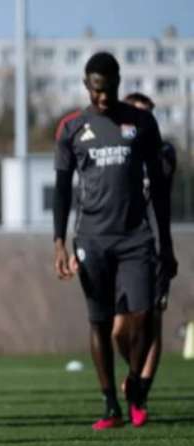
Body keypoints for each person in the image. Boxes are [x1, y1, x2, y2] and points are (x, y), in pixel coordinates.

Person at [52, 52, 176, 430]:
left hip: (136, 236)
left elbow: (159, 188)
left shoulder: (142, 122)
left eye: (108, 89)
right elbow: (62, 189)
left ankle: (136, 383)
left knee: (143, 315)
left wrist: (166, 242)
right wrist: (59, 242)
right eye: (96, 90)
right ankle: (110, 404)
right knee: (100, 321)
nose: (103, 97)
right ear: (86, 85)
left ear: (119, 82)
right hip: (92, 238)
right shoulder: (72, 127)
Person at [112, 92, 177, 420]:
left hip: (152, 245)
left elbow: (158, 185)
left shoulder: (163, 152)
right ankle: (135, 374)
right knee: (118, 329)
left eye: (148, 115)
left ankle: (141, 393)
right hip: (120, 244)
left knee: (152, 320)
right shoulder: (115, 151)